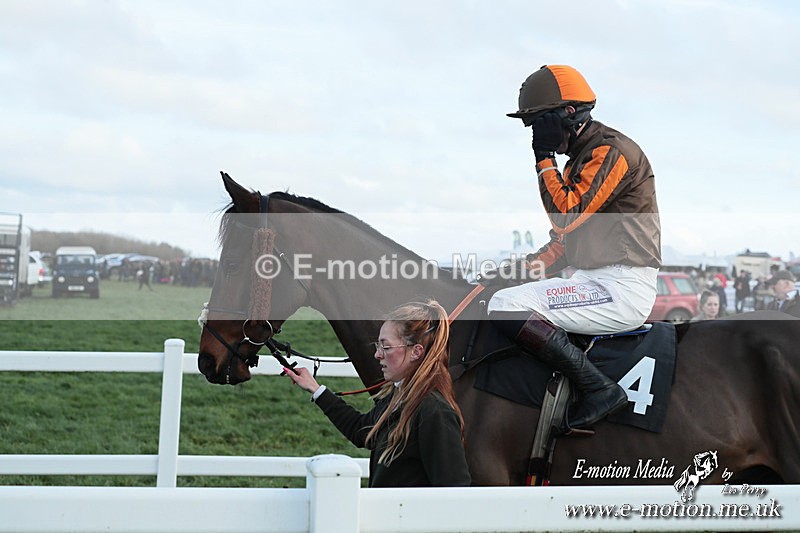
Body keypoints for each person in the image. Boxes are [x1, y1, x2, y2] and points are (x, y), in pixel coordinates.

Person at [487, 64, 662, 432]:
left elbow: (565, 216)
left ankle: (598, 388)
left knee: (506, 307)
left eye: (538, 124)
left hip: (619, 287)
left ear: (568, 114)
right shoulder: (581, 160)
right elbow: (562, 245)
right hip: (594, 281)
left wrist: (543, 159)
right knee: (504, 293)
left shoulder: (611, 152)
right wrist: (511, 273)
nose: (535, 134)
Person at [283, 300, 471, 487]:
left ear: (416, 352)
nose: (377, 355)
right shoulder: (399, 397)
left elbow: (454, 490)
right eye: (378, 346)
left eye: (386, 347)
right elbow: (361, 430)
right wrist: (316, 390)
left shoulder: (436, 413)